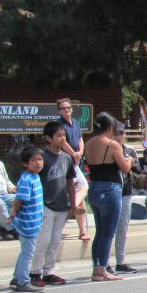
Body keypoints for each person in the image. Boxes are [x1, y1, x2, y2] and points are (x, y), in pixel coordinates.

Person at [84, 112, 132, 282]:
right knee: (108, 233)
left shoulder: (89, 143)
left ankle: (96, 267)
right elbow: (125, 168)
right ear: (111, 127)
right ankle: (101, 270)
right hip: (110, 188)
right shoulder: (112, 145)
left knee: (100, 232)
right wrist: (130, 160)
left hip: (94, 187)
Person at [30, 121, 76, 287]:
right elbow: (33, 177)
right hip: (45, 203)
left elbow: (70, 181)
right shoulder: (42, 157)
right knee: (43, 239)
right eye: (59, 135)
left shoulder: (67, 157)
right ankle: (34, 272)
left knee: (55, 240)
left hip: (62, 204)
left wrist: (73, 203)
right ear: (48, 138)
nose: (62, 138)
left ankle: (48, 271)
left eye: (64, 135)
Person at [8, 145, 45, 293]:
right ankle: (23, 282)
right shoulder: (27, 179)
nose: (38, 163)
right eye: (33, 160)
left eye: (40, 159)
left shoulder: (35, 177)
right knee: (28, 253)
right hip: (27, 223)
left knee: (26, 251)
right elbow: (19, 200)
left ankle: (17, 278)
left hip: (34, 222)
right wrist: (13, 213)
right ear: (25, 163)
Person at [57, 98, 90, 242]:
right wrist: (73, 154)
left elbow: (80, 139)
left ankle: (82, 230)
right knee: (80, 189)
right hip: (66, 163)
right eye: (63, 108)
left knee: (80, 191)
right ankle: (71, 210)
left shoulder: (75, 122)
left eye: (68, 107)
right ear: (59, 111)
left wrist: (80, 152)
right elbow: (62, 142)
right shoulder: (59, 125)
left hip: (76, 163)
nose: (66, 110)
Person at [110, 122, 140, 274]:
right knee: (109, 229)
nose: (119, 137)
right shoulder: (109, 149)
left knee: (123, 228)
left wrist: (131, 168)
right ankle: (104, 263)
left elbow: (137, 169)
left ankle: (120, 262)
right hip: (111, 190)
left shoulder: (130, 150)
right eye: (116, 134)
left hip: (126, 191)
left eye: (121, 133)